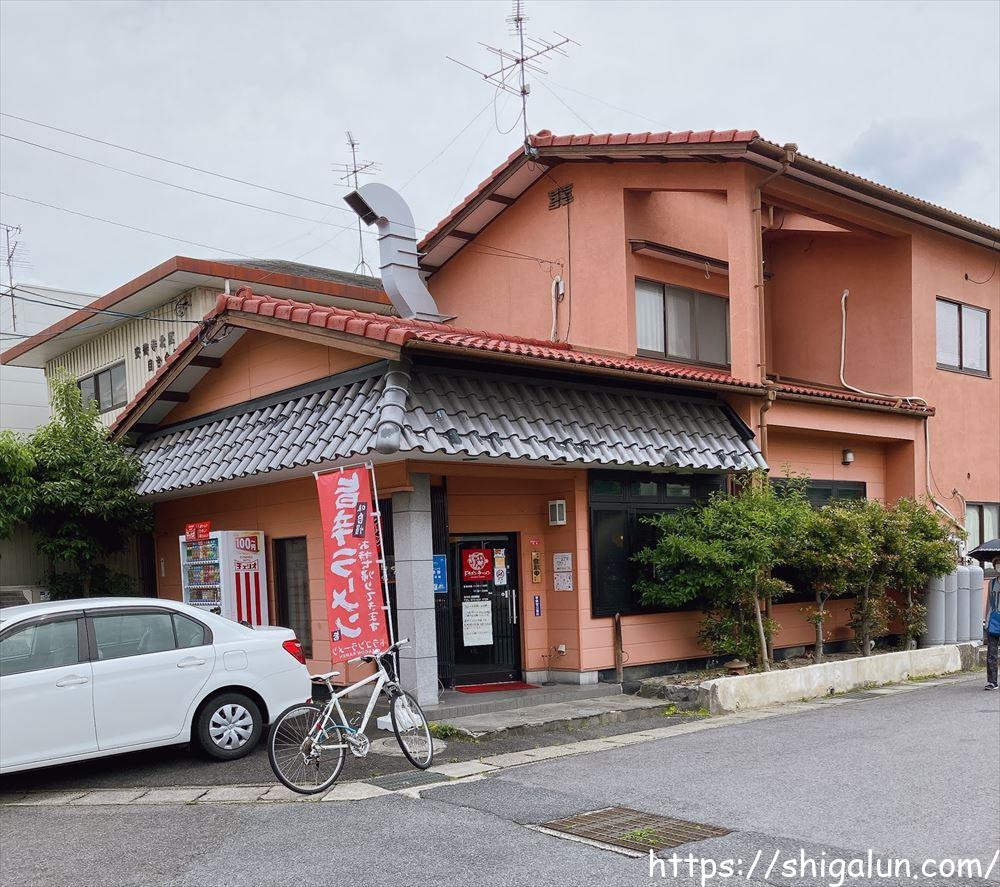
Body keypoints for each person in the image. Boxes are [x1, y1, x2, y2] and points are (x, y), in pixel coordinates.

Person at [986, 557, 1000, 691]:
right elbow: (989, 603)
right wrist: (987, 620)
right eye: (997, 565)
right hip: (994, 620)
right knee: (991, 653)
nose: (998, 567)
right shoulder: (992, 583)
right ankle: (992, 681)